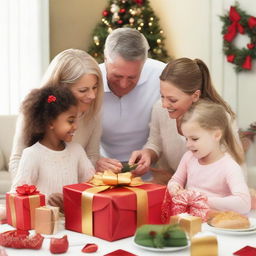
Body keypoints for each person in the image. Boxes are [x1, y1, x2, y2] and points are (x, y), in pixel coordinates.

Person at [129, 58, 244, 183]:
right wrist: (148, 154)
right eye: (162, 96)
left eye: (172, 100)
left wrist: (177, 181)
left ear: (195, 96)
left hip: (211, 191)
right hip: (174, 186)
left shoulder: (217, 118)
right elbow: (155, 142)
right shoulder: (160, 109)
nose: (164, 104)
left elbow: (229, 171)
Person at [9, 49, 103, 179]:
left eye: (95, 87)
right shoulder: (35, 111)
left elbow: (92, 156)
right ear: (61, 89)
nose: (92, 96)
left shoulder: (93, 114)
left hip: (73, 193)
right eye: (83, 90)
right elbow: (17, 161)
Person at [10, 86, 95, 212]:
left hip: (75, 222)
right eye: (71, 121)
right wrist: (47, 201)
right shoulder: (32, 154)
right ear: (50, 123)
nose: (76, 126)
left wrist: (70, 200)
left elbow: (91, 186)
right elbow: (16, 197)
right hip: (44, 225)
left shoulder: (77, 151)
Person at [96, 28, 166, 173]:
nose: (123, 84)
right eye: (118, 76)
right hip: (101, 170)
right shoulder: (89, 82)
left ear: (144, 64)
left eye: (132, 77)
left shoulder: (163, 76)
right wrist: (94, 159)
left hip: (154, 172)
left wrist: (151, 154)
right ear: (105, 60)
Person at [167, 100, 251, 214]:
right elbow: (175, 180)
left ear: (216, 135)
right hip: (190, 220)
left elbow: (244, 203)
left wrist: (201, 199)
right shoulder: (188, 158)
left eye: (194, 139)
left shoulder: (229, 166)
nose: (188, 145)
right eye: (186, 138)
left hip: (216, 223)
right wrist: (174, 187)